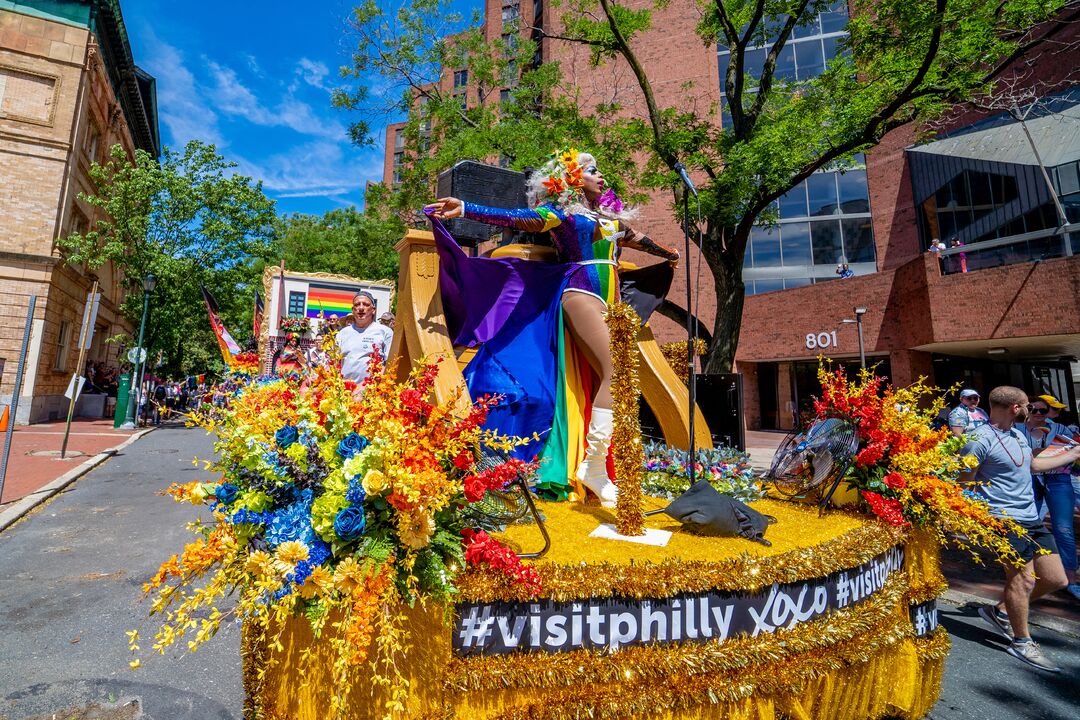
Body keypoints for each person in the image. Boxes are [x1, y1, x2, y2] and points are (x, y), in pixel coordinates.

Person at [426, 148, 680, 506]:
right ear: (574, 180)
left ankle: (599, 464)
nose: (601, 175)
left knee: (617, 379)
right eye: (592, 170)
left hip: (613, 303)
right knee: (618, 371)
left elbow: (637, 239)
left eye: (600, 171)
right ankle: (593, 467)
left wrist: (667, 253)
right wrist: (467, 208)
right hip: (581, 293)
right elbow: (517, 218)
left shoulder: (608, 219)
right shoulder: (562, 216)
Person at [961, 386, 1080, 672]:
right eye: (1029, 406)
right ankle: (1022, 642)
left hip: (1031, 519)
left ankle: (999, 611)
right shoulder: (977, 439)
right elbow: (965, 484)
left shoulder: (1017, 435)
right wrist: (978, 521)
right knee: (1023, 580)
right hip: (1003, 520)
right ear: (1016, 408)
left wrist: (1074, 452)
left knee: (1055, 579)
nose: (1032, 411)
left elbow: (1034, 465)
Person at [1025, 394, 1080, 602]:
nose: (1039, 414)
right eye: (1034, 410)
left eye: (1043, 410)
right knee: (1031, 527)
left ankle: (1071, 580)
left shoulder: (1061, 430)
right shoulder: (1018, 430)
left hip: (1058, 480)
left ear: (1050, 411)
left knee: (1064, 529)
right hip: (1030, 481)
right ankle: (1031, 577)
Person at [336, 291, 393, 386]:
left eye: (366, 305)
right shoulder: (342, 333)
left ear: (373, 310)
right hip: (343, 392)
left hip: (371, 391)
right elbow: (334, 363)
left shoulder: (385, 332)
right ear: (353, 310)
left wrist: (368, 386)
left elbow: (390, 364)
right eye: (357, 305)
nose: (361, 308)